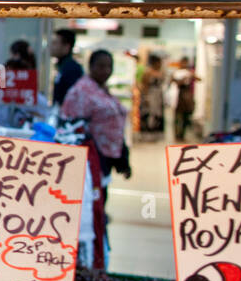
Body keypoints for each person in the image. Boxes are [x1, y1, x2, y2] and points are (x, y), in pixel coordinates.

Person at [61, 49, 130, 182]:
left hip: (107, 155)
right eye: (101, 66)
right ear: (91, 67)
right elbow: (70, 126)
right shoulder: (81, 91)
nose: (106, 71)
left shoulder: (101, 89)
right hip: (91, 156)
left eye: (110, 66)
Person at [50, 28, 83, 107]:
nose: (51, 46)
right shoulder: (62, 67)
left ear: (66, 47)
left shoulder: (72, 69)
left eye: (55, 43)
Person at [136, 53, 165, 141]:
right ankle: (147, 134)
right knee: (149, 114)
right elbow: (144, 85)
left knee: (157, 115)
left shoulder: (161, 72)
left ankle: (156, 134)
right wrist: (146, 97)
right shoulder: (148, 72)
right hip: (150, 95)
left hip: (158, 96)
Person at [170, 60, 199, 142]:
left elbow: (199, 79)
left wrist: (190, 74)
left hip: (187, 99)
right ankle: (177, 135)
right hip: (178, 99)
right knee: (178, 118)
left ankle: (182, 135)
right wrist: (183, 78)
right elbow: (174, 82)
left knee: (185, 118)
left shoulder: (188, 73)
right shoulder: (176, 73)